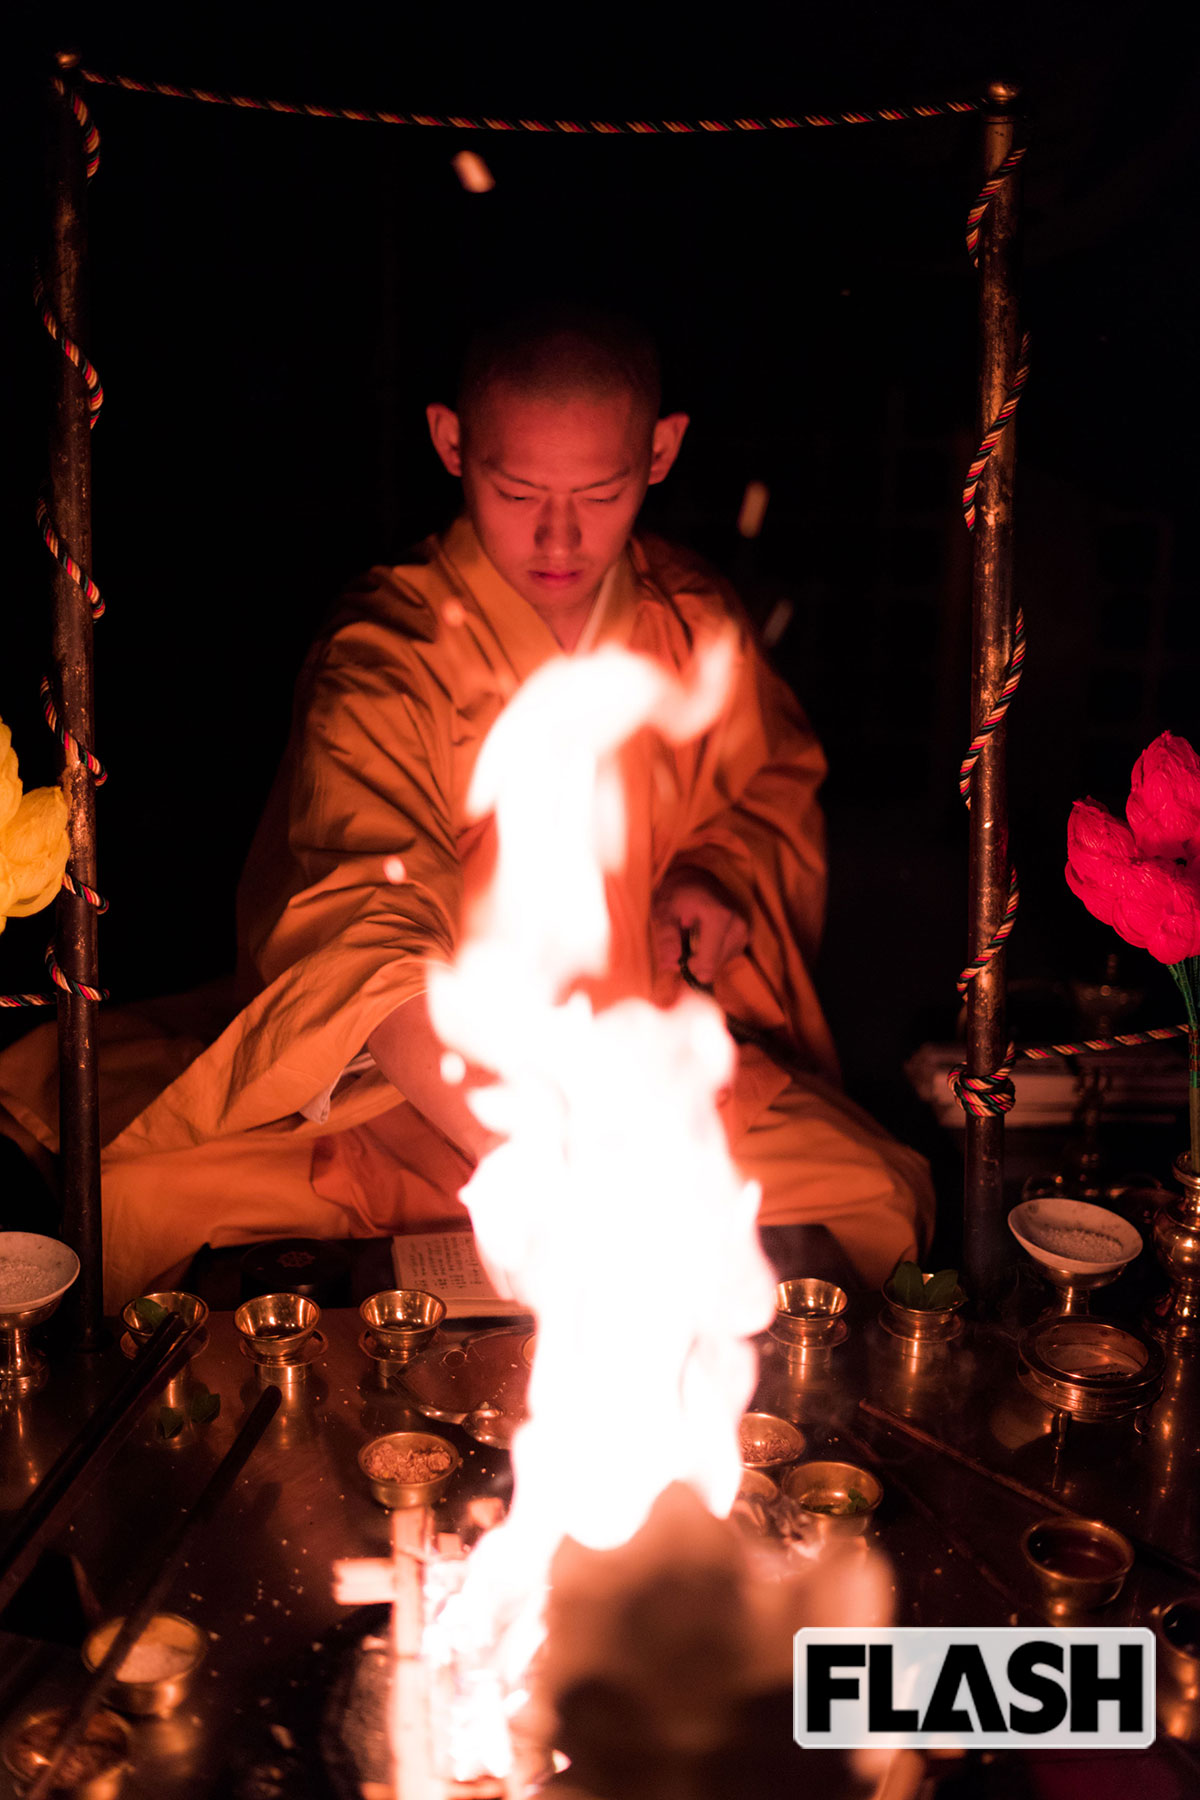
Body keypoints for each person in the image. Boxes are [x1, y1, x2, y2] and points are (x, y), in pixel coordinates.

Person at [0, 306, 933, 1307]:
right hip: (400, 1096)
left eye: (601, 491)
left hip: (638, 1072)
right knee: (130, 1202)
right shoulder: (387, 652)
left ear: (661, 452)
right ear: (451, 442)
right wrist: (536, 1165)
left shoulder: (691, 624)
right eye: (517, 488)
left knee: (874, 1195)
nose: (560, 535)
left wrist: (716, 873)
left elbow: (764, 791)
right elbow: (364, 925)